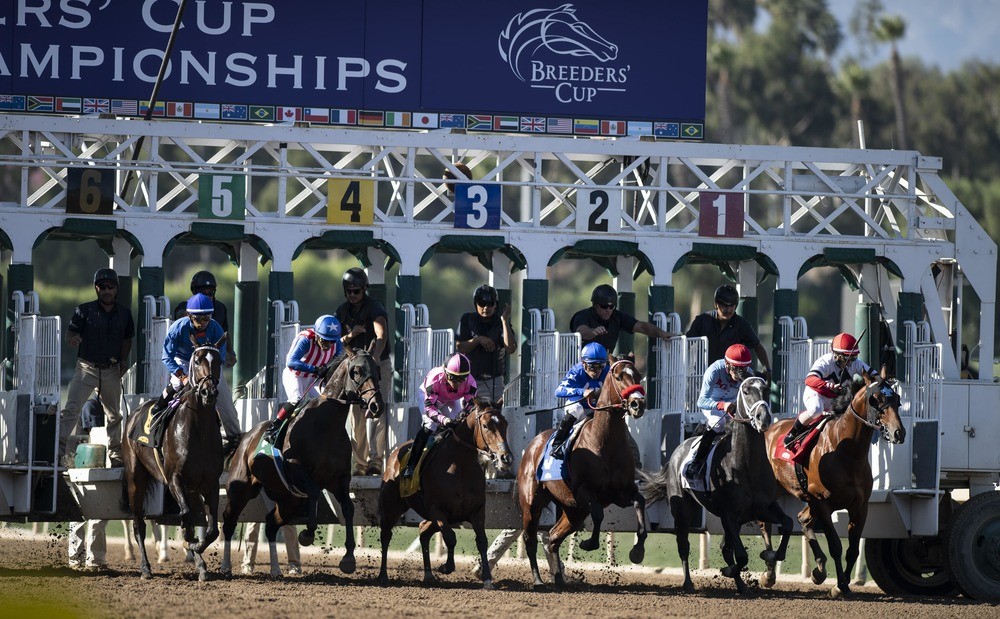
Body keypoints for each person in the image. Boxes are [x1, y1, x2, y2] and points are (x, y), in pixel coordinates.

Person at [58, 268, 134, 469]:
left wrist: (123, 360)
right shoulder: (83, 310)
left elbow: (128, 339)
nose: (107, 291)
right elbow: (69, 333)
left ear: (116, 289)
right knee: (71, 410)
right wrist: (72, 339)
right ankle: (56, 452)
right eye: (102, 287)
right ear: (96, 289)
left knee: (114, 415)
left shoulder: (125, 314)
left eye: (111, 287)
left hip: (111, 370)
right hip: (86, 369)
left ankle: (116, 455)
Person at [171, 270, 242, 454]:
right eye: (203, 292)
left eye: (211, 292)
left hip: (209, 363)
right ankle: (158, 424)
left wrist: (229, 352)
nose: (208, 295)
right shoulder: (183, 309)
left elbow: (224, 334)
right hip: (186, 361)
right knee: (174, 391)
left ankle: (234, 440)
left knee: (226, 403)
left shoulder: (221, 309)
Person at [335, 267, 392, 476]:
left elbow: (381, 334)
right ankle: (359, 463)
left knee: (377, 409)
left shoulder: (375, 307)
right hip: (355, 369)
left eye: (356, 291)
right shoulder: (341, 311)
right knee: (356, 415)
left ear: (365, 289)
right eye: (348, 291)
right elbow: (336, 342)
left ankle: (376, 461)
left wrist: (374, 359)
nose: (352, 295)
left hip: (378, 365)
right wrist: (350, 340)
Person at [148, 293, 228, 432]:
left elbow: (220, 356)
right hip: (183, 359)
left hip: (205, 363)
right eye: (198, 318)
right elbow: (167, 357)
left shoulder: (216, 329)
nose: (202, 323)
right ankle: (158, 407)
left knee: (214, 387)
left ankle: (226, 429)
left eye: (206, 318)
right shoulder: (177, 328)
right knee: (178, 383)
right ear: (189, 315)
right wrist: (183, 376)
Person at [784, 332, 879, 447]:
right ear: (836, 356)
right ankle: (792, 434)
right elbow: (809, 380)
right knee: (816, 410)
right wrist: (828, 385)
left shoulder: (855, 363)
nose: (850, 363)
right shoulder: (825, 362)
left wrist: (882, 382)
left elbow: (875, 375)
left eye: (853, 358)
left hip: (835, 399)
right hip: (816, 394)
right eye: (846, 358)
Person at [263, 314, 343, 444]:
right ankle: (274, 427)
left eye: (331, 341)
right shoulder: (306, 339)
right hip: (295, 374)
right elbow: (291, 362)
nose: (328, 345)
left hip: (313, 378)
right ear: (316, 335)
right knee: (296, 399)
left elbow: (338, 360)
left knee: (327, 401)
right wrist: (315, 369)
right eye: (324, 340)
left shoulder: (337, 342)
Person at [402, 353, 478, 480]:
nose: (457, 383)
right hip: (430, 399)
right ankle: (411, 465)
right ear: (445, 372)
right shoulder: (435, 379)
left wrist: (465, 413)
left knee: (459, 424)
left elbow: (470, 405)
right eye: (453, 378)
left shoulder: (471, 383)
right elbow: (429, 408)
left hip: (450, 399)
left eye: (461, 379)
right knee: (431, 425)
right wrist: (444, 419)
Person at [687, 344, 754, 480]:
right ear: (727, 365)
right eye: (736, 369)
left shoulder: (749, 374)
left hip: (734, 403)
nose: (739, 374)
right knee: (719, 423)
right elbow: (701, 401)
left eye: (743, 369)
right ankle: (697, 462)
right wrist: (722, 405)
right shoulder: (714, 371)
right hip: (712, 403)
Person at [570, 284, 675, 356]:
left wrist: (661, 333)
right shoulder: (583, 315)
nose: (608, 310)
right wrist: (593, 332)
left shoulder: (617, 316)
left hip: (603, 365)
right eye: (604, 306)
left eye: (612, 307)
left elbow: (641, 327)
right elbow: (581, 332)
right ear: (595, 304)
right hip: (580, 363)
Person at [686, 284, 771, 373]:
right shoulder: (702, 320)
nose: (729, 310)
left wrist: (767, 369)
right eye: (725, 306)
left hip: (729, 379)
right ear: (716, 305)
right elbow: (686, 343)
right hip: (702, 374)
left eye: (732, 306)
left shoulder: (742, 325)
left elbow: (757, 346)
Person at [455, 284, 516, 402]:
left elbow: (511, 349)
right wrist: (478, 340)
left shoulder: (499, 323)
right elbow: (460, 347)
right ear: (476, 304)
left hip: (495, 382)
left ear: (495, 305)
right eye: (482, 304)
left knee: (493, 418)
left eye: (490, 304)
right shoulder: (467, 319)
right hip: (470, 379)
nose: (486, 308)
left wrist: (504, 321)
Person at [550, 342, 609, 459]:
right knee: (576, 409)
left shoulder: (609, 372)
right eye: (592, 366)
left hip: (598, 408)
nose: (596, 371)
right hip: (578, 406)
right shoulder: (576, 371)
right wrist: (582, 392)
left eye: (600, 366)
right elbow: (559, 391)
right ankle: (557, 444)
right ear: (583, 363)